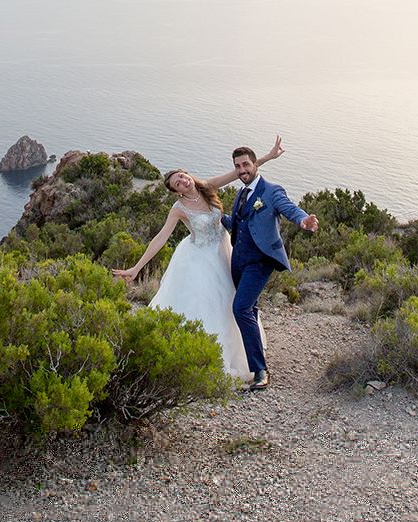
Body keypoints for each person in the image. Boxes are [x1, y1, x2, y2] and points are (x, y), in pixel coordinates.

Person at [112, 138, 285, 382]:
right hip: (199, 259)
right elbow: (160, 238)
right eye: (177, 183)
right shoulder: (178, 209)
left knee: (233, 301)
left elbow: (238, 173)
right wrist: (136, 268)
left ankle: (246, 354)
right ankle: (206, 356)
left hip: (224, 252)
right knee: (205, 304)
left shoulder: (207, 187)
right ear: (177, 191)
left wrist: (268, 157)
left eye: (182, 175)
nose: (183, 180)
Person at [222, 146, 319, 390]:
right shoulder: (240, 194)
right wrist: (212, 214)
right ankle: (251, 354)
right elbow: (235, 223)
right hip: (238, 259)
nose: (242, 170)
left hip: (261, 260)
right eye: (237, 166)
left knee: (241, 308)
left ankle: (260, 371)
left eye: (246, 165)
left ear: (255, 165)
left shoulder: (272, 191)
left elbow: (289, 209)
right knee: (249, 308)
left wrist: (303, 221)